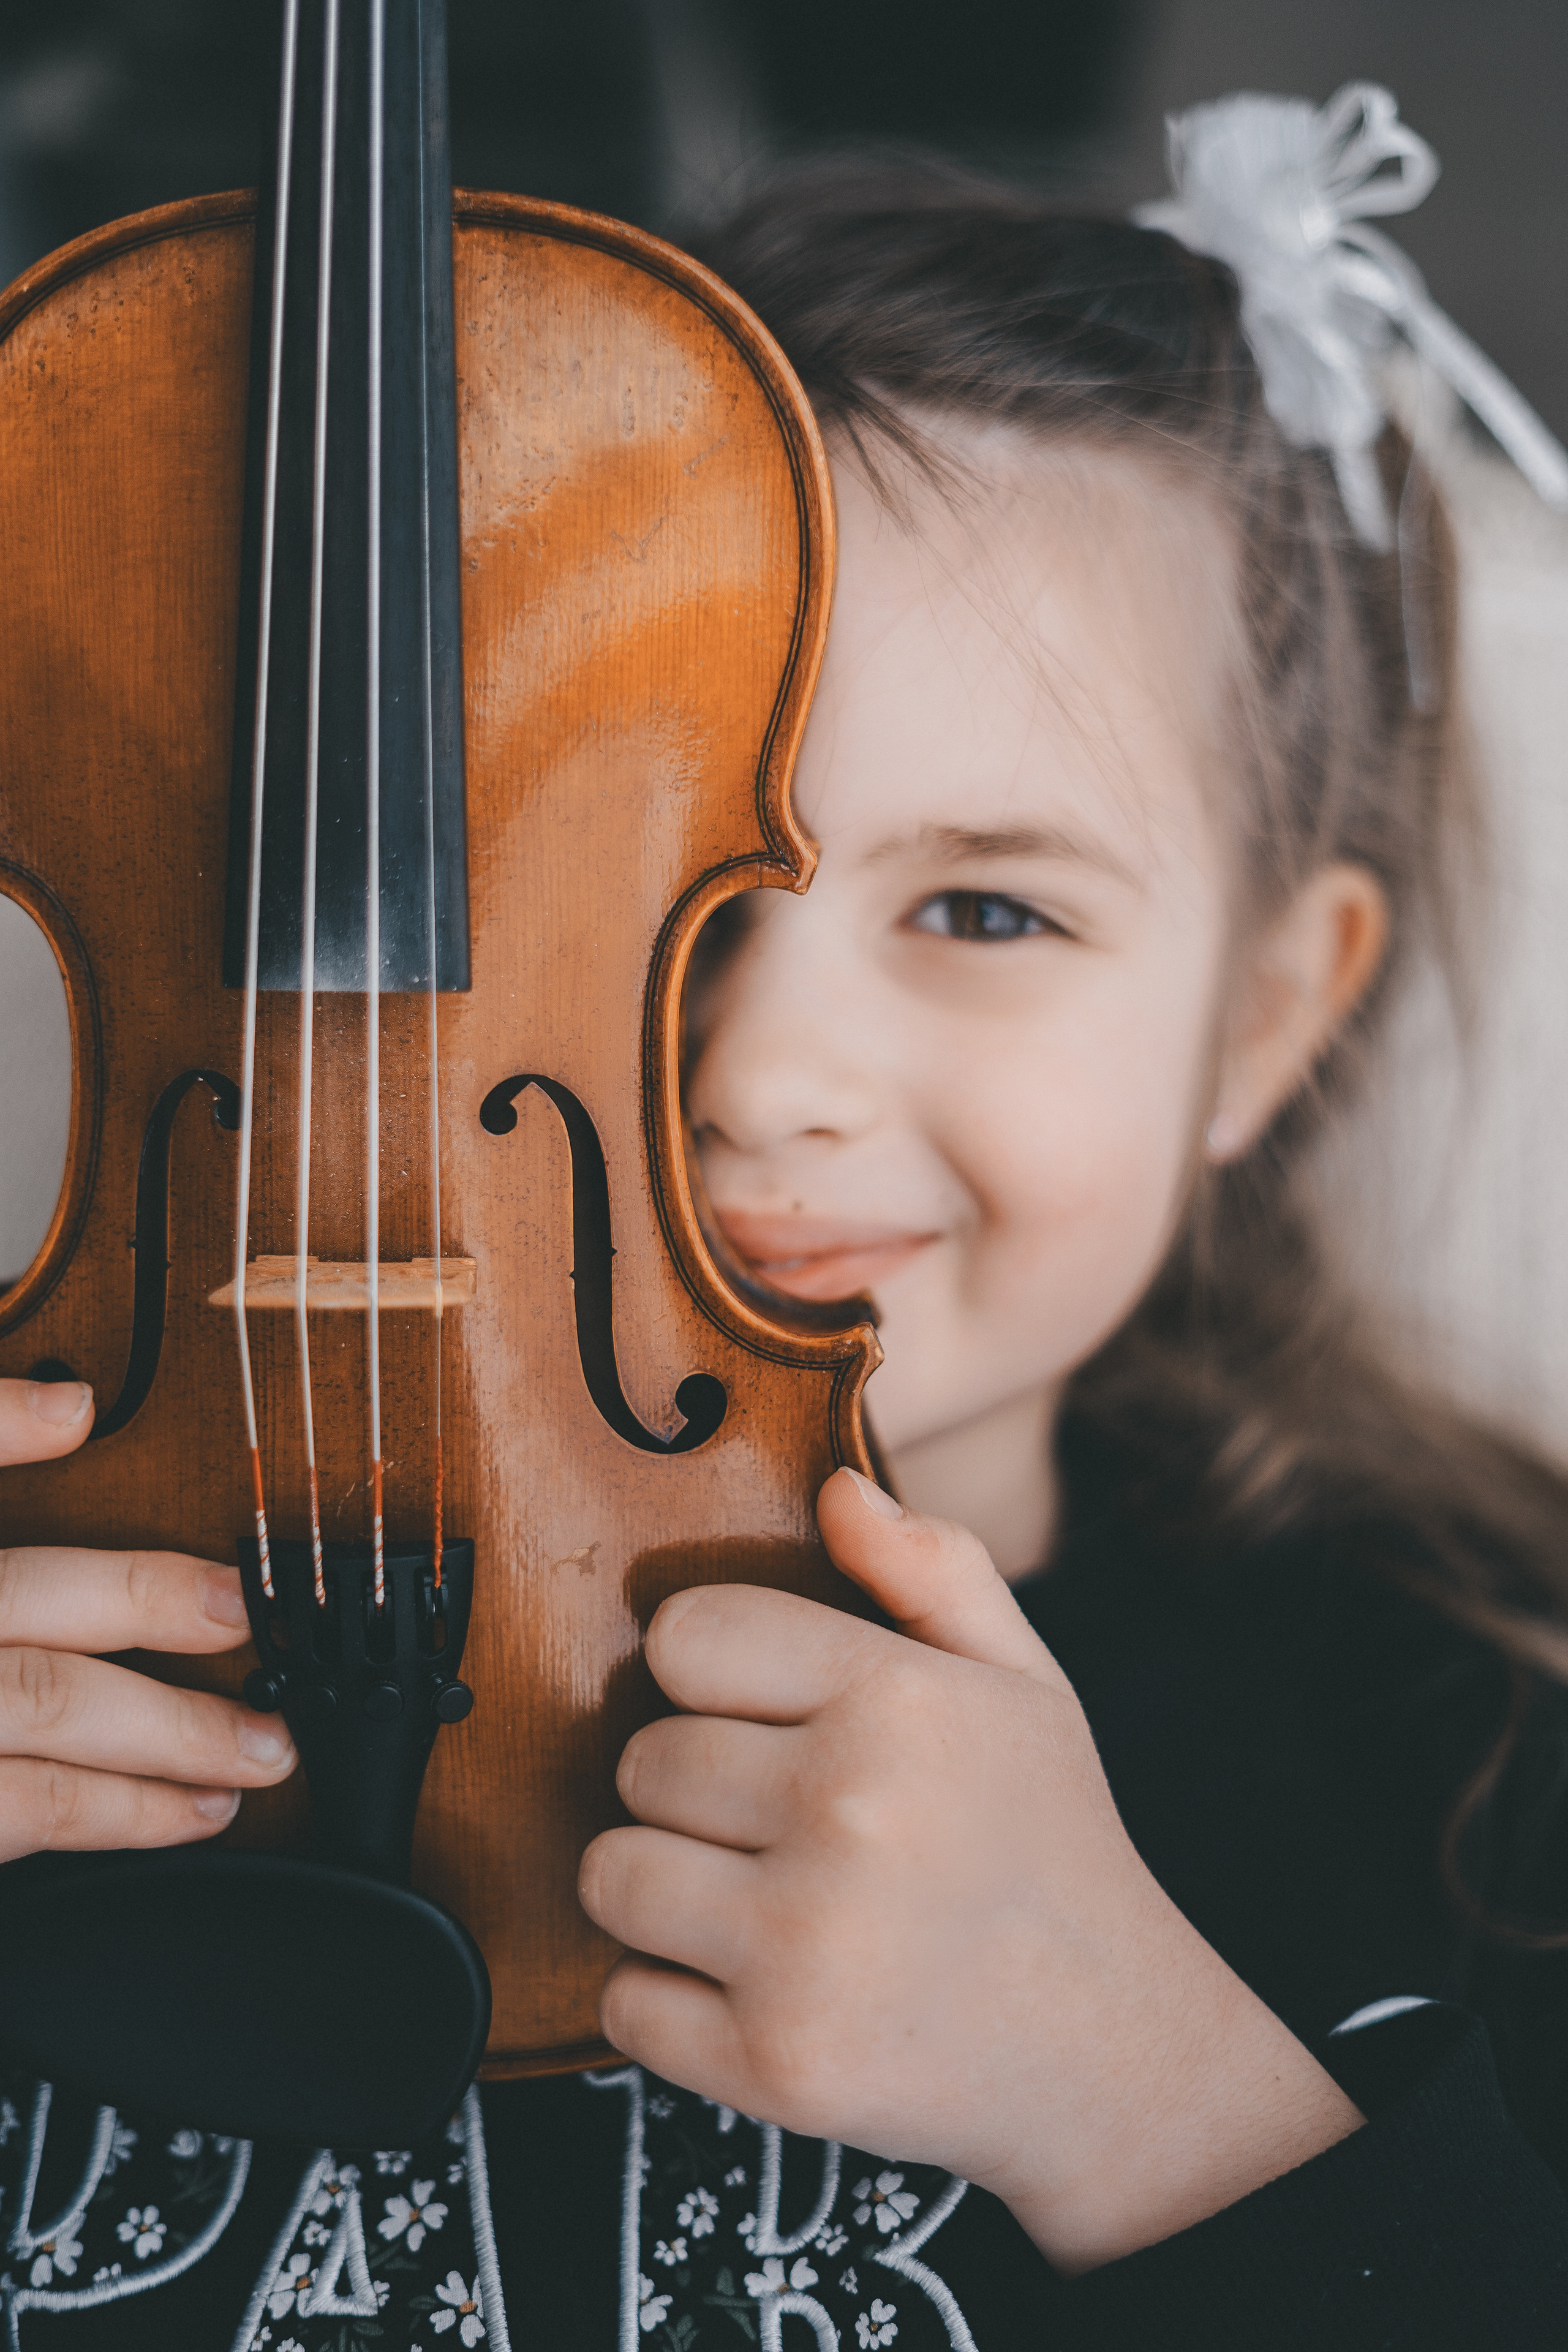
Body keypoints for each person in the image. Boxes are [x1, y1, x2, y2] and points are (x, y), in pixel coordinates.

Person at [2, 84, 1567, 2352]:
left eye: (989, 911)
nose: (756, 1076)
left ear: (1265, 1020)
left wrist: (1156, 2110)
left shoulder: (1480, 1757)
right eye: (604, 896)